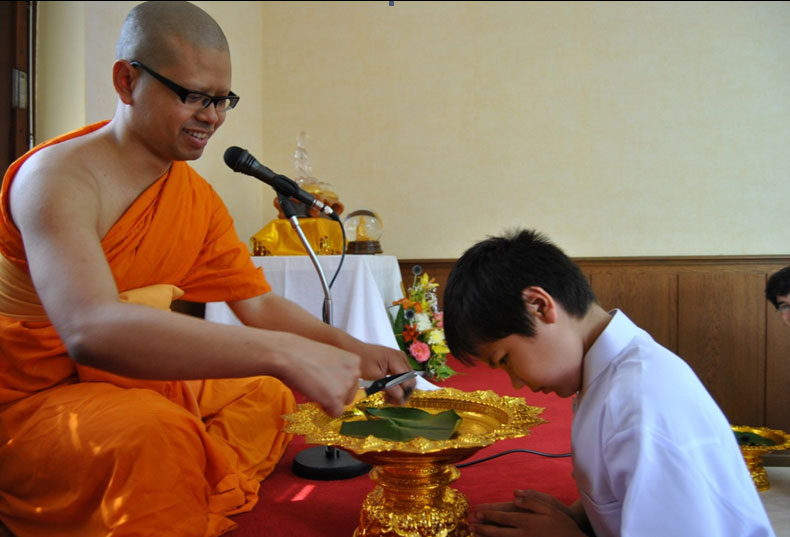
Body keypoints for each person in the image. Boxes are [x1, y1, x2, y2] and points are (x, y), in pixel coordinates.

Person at [0, 2, 413, 536]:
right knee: (156, 432)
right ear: (127, 81)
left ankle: (183, 479)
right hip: (34, 398)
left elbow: (257, 303)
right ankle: (172, 477)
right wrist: (286, 352)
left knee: (267, 394)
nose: (212, 117)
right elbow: (90, 329)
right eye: (194, 96)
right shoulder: (56, 178)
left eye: (222, 101)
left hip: (132, 378)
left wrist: (354, 349)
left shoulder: (193, 197)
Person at [442, 229, 775, 537]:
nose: (515, 382)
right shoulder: (605, 371)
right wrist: (578, 515)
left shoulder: (642, 403)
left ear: (539, 306)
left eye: (504, 360)